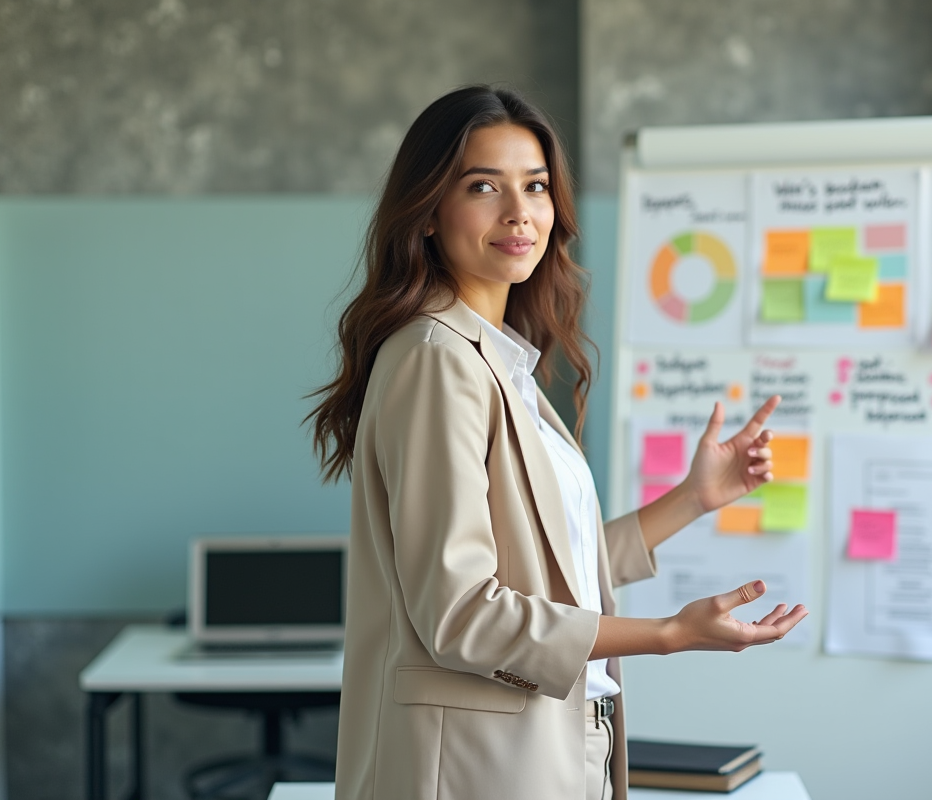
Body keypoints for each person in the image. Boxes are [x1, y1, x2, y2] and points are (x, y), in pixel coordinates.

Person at [307, 85, 808, 800]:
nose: (520, 213)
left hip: (557, 746)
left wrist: (695, 499)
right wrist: (664, 633)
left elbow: (555, 564)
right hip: (475, 766)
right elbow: (460, 613)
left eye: (535, 186)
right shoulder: (435, 359)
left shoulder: (499, 361)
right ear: (427, 213)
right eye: (484, 186)